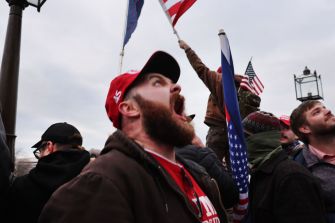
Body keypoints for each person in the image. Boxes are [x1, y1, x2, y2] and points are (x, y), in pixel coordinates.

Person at [39, 51, 229, 223]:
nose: (176, 88)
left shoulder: (193, 171)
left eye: (171, 82)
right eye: (157, 83)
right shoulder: (102, 184)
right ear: (129, 108)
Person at [179, 40, 261, 168]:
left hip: (219, 131)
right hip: (238, 133)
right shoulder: (243, 87)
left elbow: (200, 69)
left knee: (211, 166)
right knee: (235, 169)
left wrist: (188, 49)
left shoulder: (219, 81)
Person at [242, 111, 326, 223]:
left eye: (245, 137)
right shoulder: (260, 172)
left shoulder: (292, 178)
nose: (239, 143)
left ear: (264, 140)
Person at [4, 122, 90, 223]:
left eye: (40, 151)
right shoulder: (92, 181)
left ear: (49, 146)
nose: (39, 157)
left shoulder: (22, 186)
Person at [290, 100, 335, 222]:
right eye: (317, 112)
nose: (328, 111)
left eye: (324, 107)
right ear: (305, 128)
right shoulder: (299, 170)